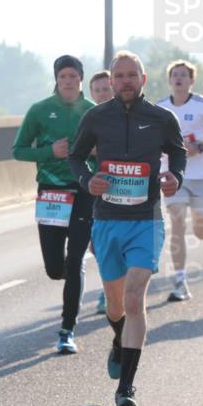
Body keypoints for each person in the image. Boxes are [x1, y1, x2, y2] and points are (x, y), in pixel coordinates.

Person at [68, 50, 186, 406]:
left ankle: (126, 390)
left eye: (131, 75)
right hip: (107, 221)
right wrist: (89, 180)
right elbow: (76, 157)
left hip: (145, 220)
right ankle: (119, 339)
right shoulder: (96, 117)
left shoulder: (161, 118)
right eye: (119, 76)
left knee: (136, 299)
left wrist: (175, 177)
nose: (125, 81)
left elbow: (178, 154)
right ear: (112, 81)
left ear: (143, 79)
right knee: (116, 304)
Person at [13, 55, 95, 354]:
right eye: (63, 77)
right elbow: (18, 150)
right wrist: (50, 151)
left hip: (84, 191)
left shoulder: (93, 112)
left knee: (75, 261)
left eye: (73, 76)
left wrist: (96, 155)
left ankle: (67, 328)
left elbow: (108, 153)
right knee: (54, 267)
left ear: (81, 79)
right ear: (57, 80)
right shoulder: (40, 110)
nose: (69, 81)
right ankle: (70, 277)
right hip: (51, 193)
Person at [156, 59, 203, 301]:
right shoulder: (160, 107)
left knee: (201, 230)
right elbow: (150, 138)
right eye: (175, 74)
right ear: (169, 80)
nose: (179, 78)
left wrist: (200, 146)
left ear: (191, 80)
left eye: (183, 75)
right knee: (176, 221)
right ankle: (180, 280)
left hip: (201, 174)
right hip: (172, 173)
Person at [88, 70, 114, 315]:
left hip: (127, 190)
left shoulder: (129, 115)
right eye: (97, 90)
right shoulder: (89, 119)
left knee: (123, 240)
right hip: (97, 191)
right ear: (91, 94)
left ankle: (114, 290)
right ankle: (108, 289)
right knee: (99, 245)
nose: (102, 93)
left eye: (106, 88)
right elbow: (79, 153)